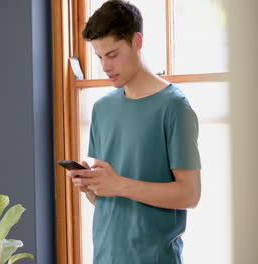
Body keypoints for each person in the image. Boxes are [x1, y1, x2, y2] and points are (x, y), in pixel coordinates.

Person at [66, 1, 202, 263]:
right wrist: (92, 187)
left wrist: (119, 184)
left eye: (113, 54)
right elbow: (111, 199)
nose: (105, 66)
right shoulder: (102, 109)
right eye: (99, 56)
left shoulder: (174, 107)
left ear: (137, 41)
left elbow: (190, 195)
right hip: (105, 256)